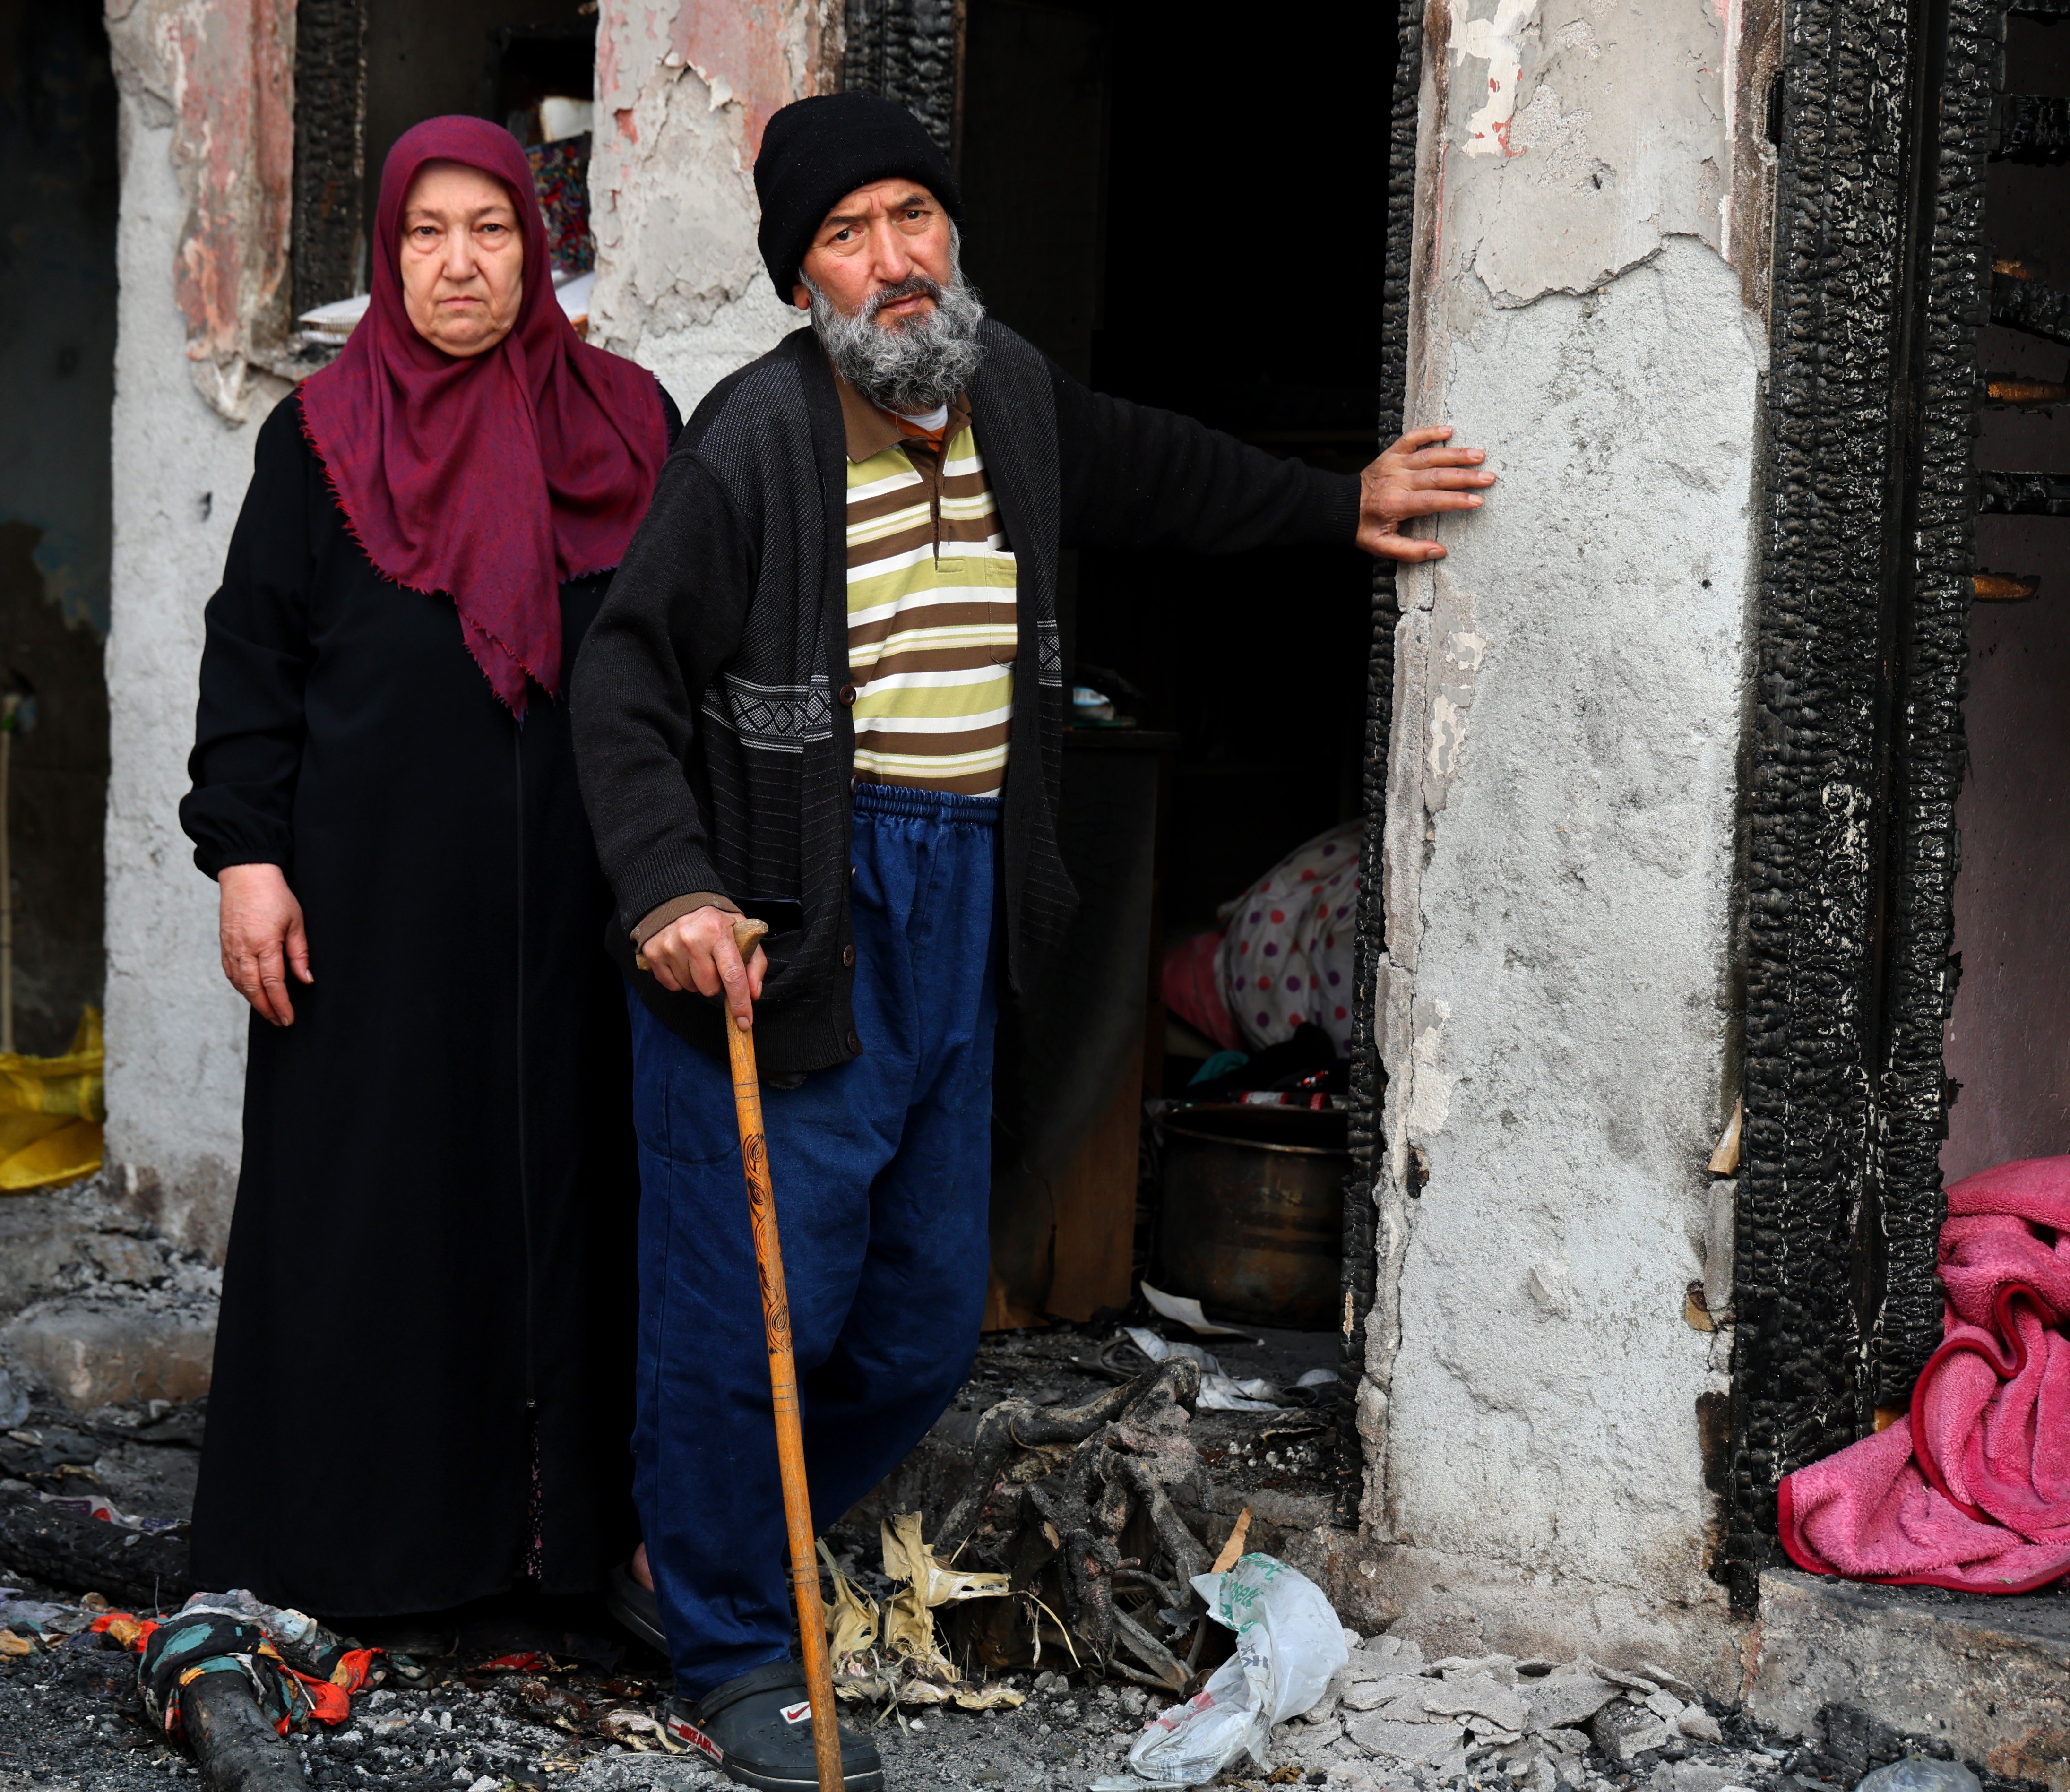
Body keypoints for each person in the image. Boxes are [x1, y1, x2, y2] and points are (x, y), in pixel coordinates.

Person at [571, 93, 1493, 1790]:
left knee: (923, 1323)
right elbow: (623, 679)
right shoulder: (752, 445)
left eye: (912, 216)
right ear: (801, 281)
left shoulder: (1008, 398)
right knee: (752, 1316)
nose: (893, 259)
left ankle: (678, 1557)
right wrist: (675, 891)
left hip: (964, 902)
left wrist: (1335, 499)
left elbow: (1164, 470)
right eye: (847, 235)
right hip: (788, 915)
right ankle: (731, 1639)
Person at [180, 116, 679, 1628]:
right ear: (390, 256)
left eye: (491, 230)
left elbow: (688, 658)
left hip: (583, 910)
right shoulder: (322, 436)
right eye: (425, 233)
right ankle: (357, 1556)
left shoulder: (631, 425)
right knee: (373, 1211)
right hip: (371, 910)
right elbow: (254, 660)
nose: (459, 264)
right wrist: (247, 858)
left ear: (538, 248)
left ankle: (560, 1556)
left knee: (574, 1208)